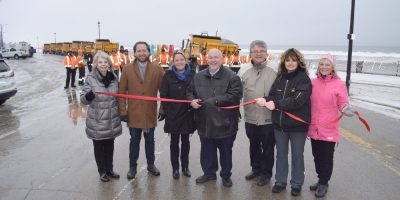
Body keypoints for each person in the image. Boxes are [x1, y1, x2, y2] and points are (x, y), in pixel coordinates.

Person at [256, 48, 311, 196]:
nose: (290, 63)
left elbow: (297, 101)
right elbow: (273, 95)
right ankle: (280, 181)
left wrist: (276, 104)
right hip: (280, 125)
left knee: (297, 155)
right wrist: (265, 100)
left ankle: (297, 183)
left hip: (297, 127)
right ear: (283, 62)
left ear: (298, 62)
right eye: (287, 60)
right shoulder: (280, 78)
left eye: (293, 60)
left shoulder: (303, 79)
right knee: (281, 154)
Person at [187, 48, 242, 187]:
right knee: (206, 151)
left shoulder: (232, 77)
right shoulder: (198, 76)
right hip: (204, 122)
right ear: (206, 59)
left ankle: (225, 176)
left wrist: (215, 100)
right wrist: (192, 101)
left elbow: (235, 95)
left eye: (216, 57)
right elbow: (190, 91)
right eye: (210, 57)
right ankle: (209, 173)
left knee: (225, 152)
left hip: (225, 123)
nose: (213, 60)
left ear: (222, 58)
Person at [307, 54, 354, 198]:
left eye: (327, 64)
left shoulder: (339, 84)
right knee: (317, 156)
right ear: (318, 66)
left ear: (333, 67)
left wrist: (346, 109)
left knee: (326, 157)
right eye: (322, 64)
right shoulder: (312, 82)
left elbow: (343, 102)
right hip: (314, 126)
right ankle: (321, 178)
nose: (324, 67)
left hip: (329, 127)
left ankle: (324, 183)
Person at [118, 41, 165, 179]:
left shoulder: (157, 68)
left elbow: (164, 91)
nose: (142, 53)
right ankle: (132, 167)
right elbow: (121, 93)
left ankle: (151, 165)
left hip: (149, 113)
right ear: (135, 53)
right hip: (134, 113)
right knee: (134, 141)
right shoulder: (127, 69)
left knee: (150, 140)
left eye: (144, 50)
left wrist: (162, 109)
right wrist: (122, 112)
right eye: (139, 51)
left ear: (148, 52)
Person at [80, 51, 122, 182]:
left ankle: (109, 169)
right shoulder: (90, 78)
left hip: (111, 119)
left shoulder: (114, 78)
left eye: (105, 62)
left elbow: (118, 97)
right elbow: (83, 99)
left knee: (110, 146)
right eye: (100, 62)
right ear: (96, 64)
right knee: (99, 147)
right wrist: (88, 96)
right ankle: (102, 171)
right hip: (97, 121)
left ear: (109, 64)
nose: (103, 65)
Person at [239, 40, 276, 186]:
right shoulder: (243, 69)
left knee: (268, 146)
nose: (259, 54)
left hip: (269, 117)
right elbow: (237, 91)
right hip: (251, 117)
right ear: (250, 54)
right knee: (253, 144)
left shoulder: (275, 69)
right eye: (255, 51)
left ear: (266, 53)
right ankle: (256, 168)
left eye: (262, 51)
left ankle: (266, 173)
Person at [159, 51, 196, 179]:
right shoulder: (168, 76)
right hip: (173, 115)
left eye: (182, 59)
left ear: (185, 61)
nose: (179, 62)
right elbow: (163, 95)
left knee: (186, 142)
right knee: (174, 143)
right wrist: (168, 111)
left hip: (187, 114)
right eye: (177, 60)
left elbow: (196, 92)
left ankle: (185, 167)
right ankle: (175, 169)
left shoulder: (192, 75)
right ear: (173, 62)